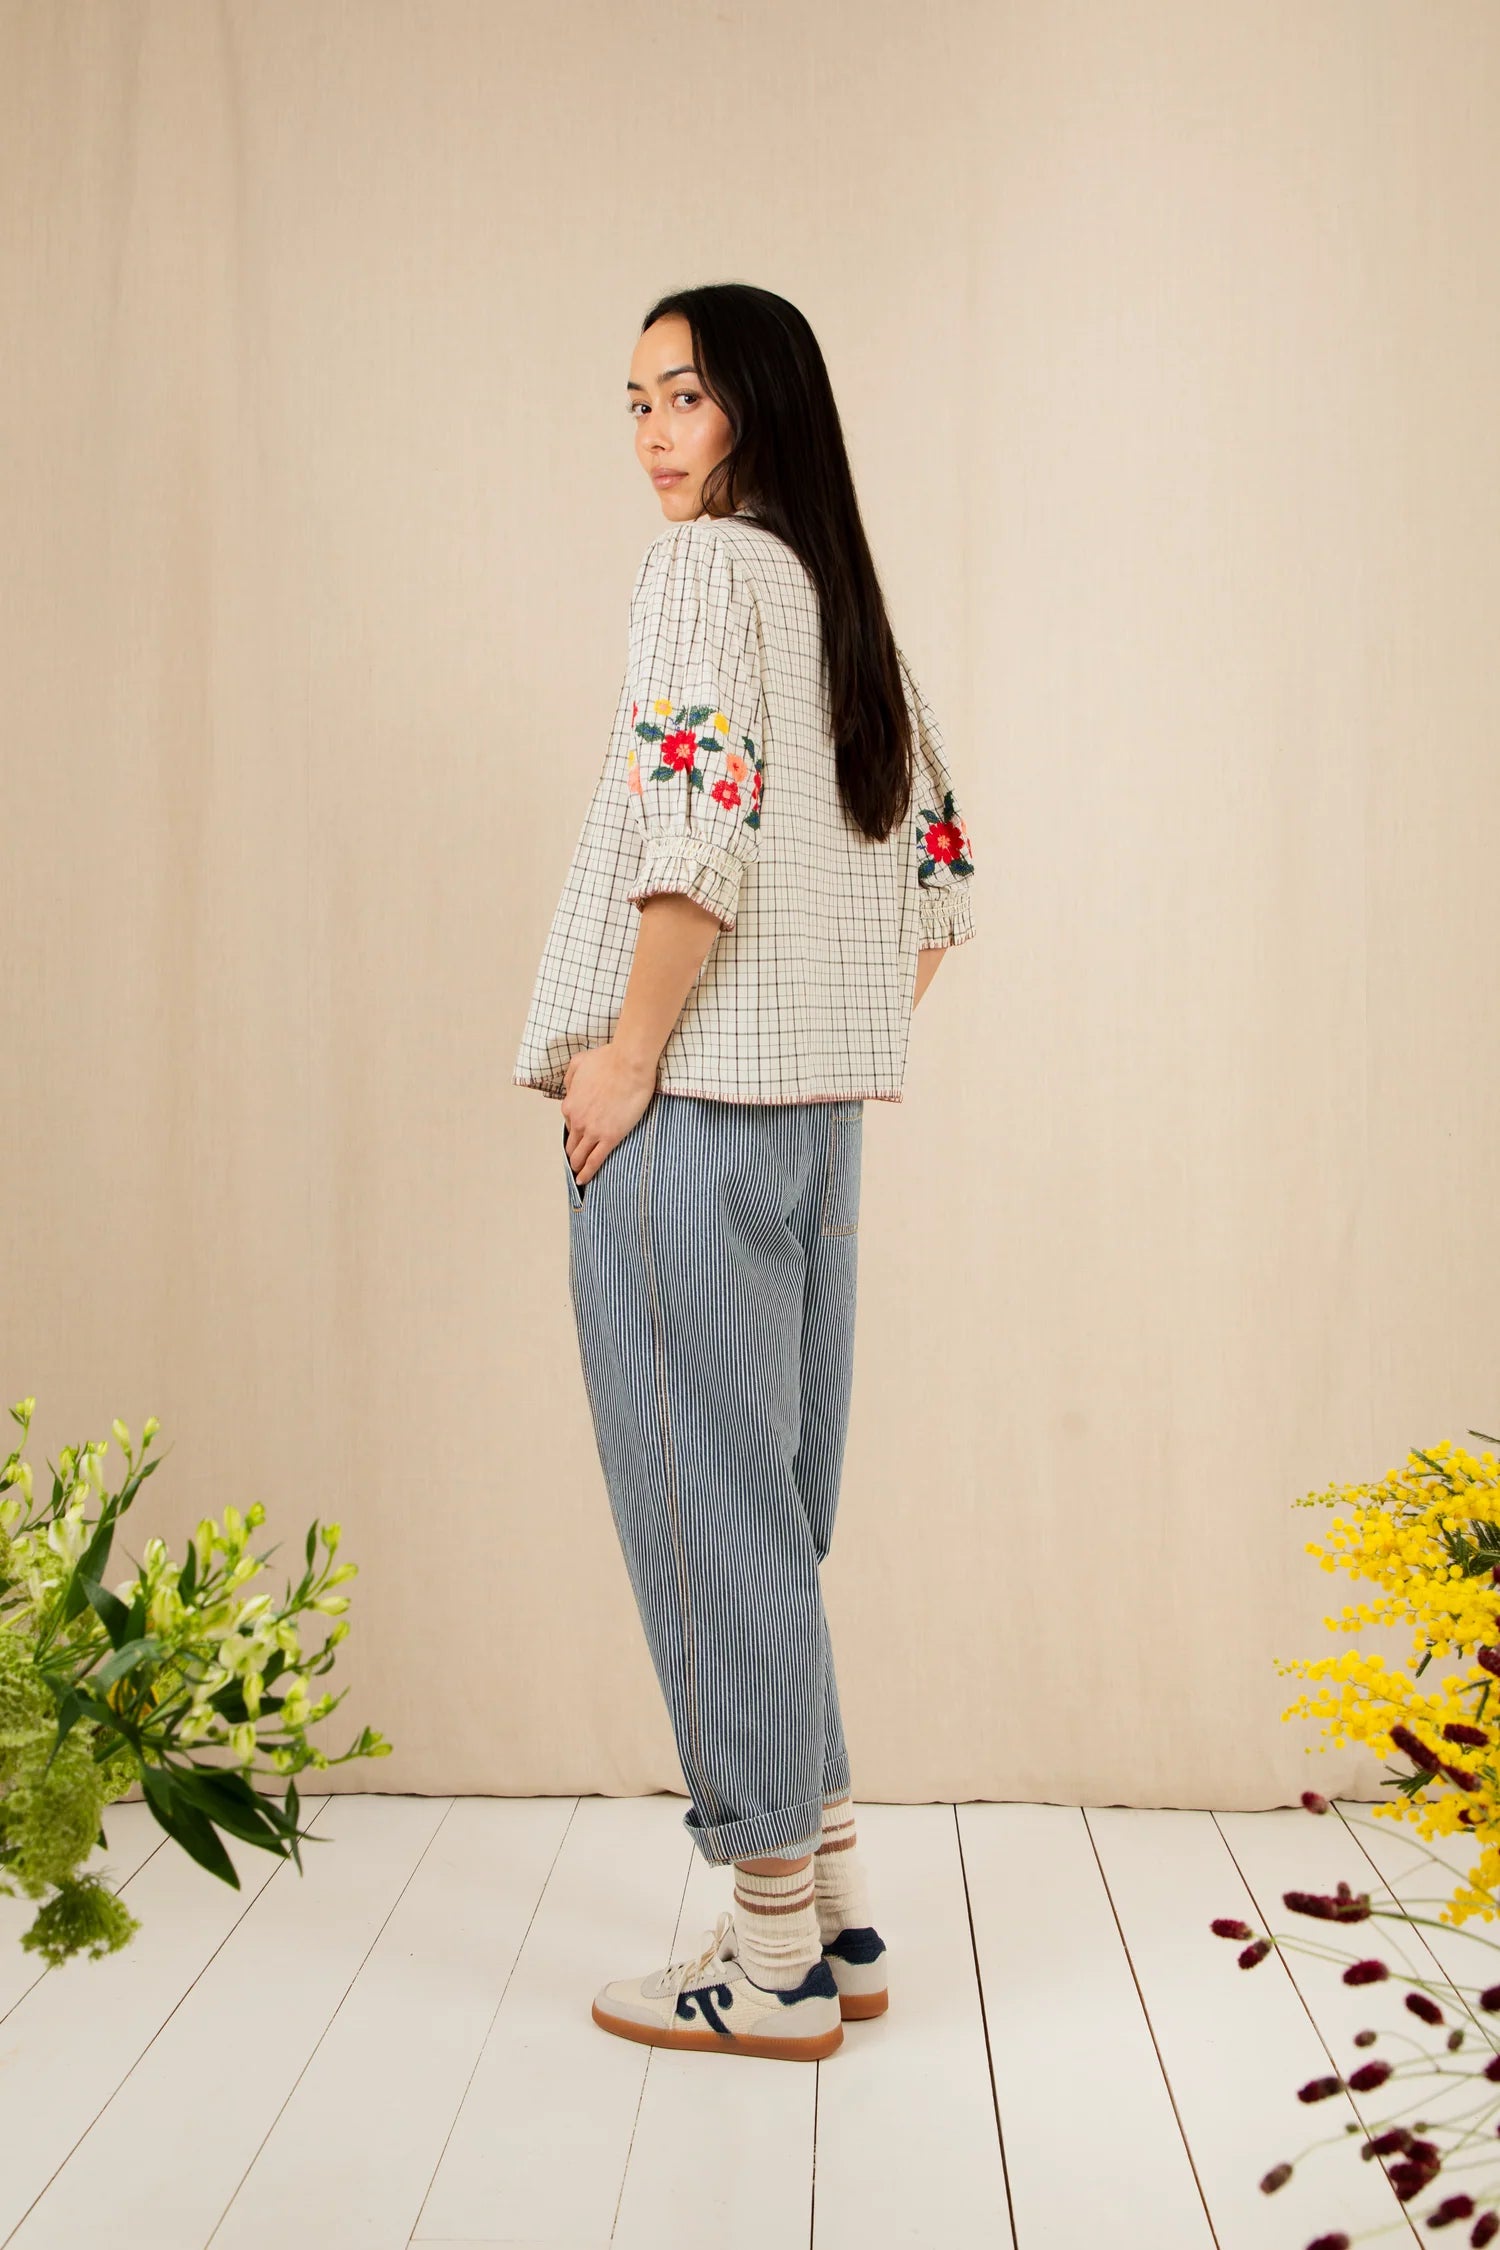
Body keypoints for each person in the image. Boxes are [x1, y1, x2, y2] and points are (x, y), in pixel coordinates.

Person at [512, 283, 976, 2063]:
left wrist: (634, 1053)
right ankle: (834, 1899)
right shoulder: (846, 607)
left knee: (710, 1527)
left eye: (683, 397)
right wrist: (810, 1033)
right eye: (631, 399)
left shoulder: (709, 577)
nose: (650, 434)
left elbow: (691, 823)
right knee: (769, 1517)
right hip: (818, 1130)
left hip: (691, 1115)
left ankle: (771, 1954)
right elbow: (938, 878)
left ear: (757, 407)